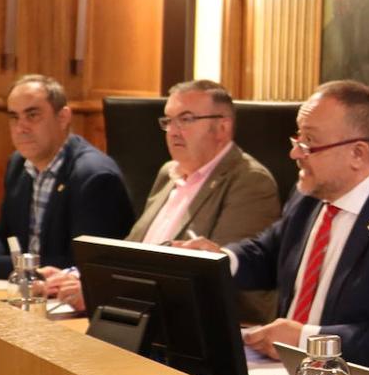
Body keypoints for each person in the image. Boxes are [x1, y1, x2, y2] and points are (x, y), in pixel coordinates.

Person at [175, 79, 369, 371]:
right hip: (280, 374)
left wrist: (306, 340)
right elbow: (270, 252)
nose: (295, 153)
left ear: (358, 153)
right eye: (297, 139)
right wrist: (220, 259)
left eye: (309, 143)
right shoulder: (310, 194)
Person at [42, 80, 281, 323]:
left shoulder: (250, 181)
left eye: (186, 119)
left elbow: (209, 280)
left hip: (190, 325)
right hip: (137, 318)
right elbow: (132, 250)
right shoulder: (169, 172)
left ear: (222, 127)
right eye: (168, 120)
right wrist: (79, 276)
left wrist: (103, 293)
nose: (173, 131)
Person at [0, 75, 134, 279]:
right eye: (14, 117)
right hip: (26, 290)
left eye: (32, 115)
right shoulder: (18, 164)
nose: (21, 128)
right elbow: (3, 236)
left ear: (63, 117)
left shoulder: (94, 176)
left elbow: (83, 264)